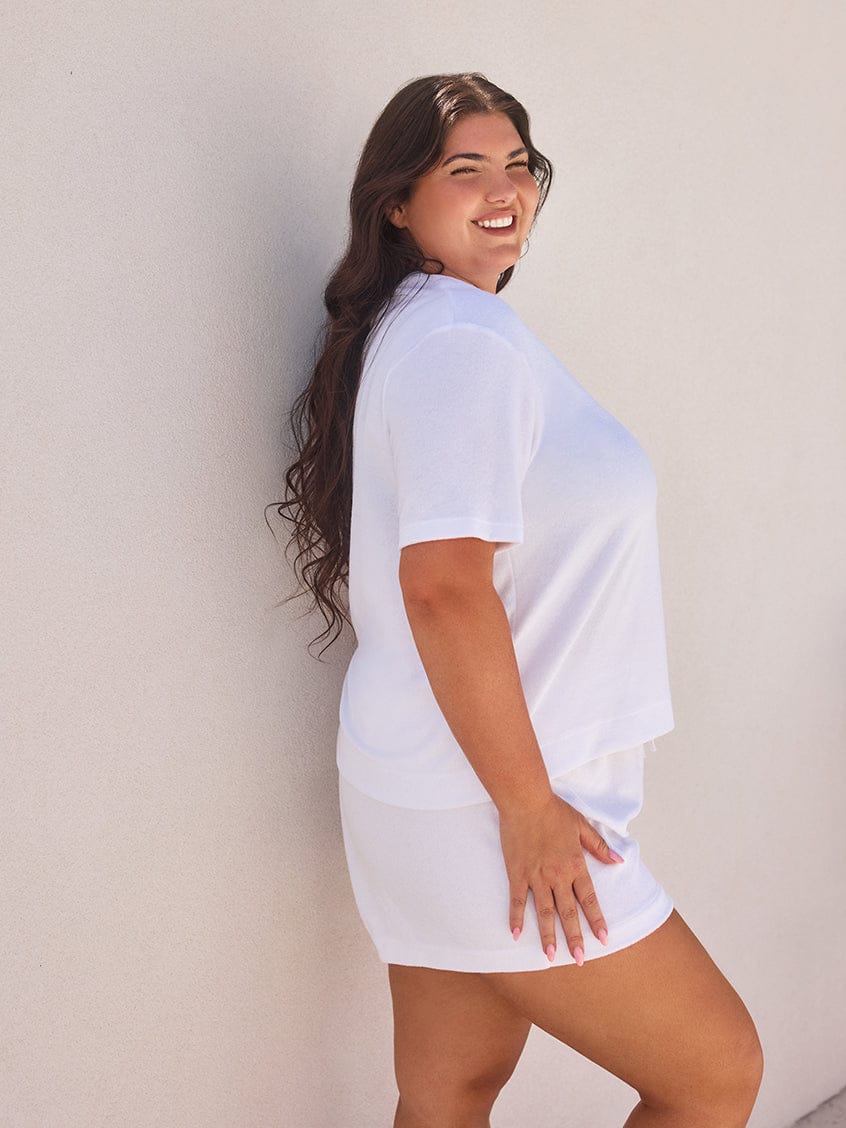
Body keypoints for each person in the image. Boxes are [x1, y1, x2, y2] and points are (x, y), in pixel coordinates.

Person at [271, 72, 763, 1128]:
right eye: (465, 170)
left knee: (452, 1087)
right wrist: (530, 807)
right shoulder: (460, 341)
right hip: (491, 798)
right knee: (715, 1072)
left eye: (518, 167)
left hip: (429, 789)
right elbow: (445, 588)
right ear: (397, 203)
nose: (505, 190)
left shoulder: (430, 327)